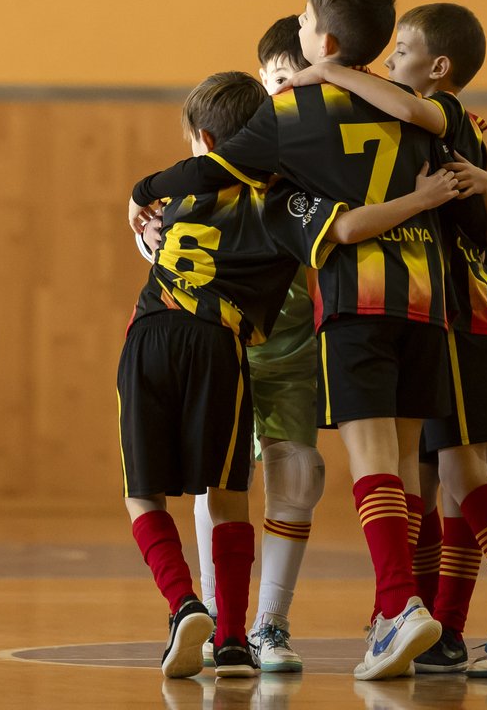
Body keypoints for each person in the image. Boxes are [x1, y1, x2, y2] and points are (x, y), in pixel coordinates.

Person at [129, 0, 476, 681]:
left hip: (351, 303)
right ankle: (400, 616)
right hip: (431, 301)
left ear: (321, 39)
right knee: (410, 470)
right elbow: (482, 212)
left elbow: (212, 173)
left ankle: (384, 610)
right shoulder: (422, 107)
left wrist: (143, 192)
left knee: (361, 463)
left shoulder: (287, 120)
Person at [290, 2, 487, 676]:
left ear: (437, 66)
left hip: (466, 314)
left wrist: (330, 70)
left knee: (463, 471)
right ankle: (433, 622)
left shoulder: (439, 116)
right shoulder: (453, 131)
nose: (388, 63)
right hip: (464, 312)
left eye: (401, 52)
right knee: (441, 474)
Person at [120, 70, 341, 680]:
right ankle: (237, 638)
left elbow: (155, 216)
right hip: (221, 346)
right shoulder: (283, 203)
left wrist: (140, 209)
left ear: (205, 139)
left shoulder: (178, 198)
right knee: (229, 494)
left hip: (152, 335)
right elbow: (338, 231)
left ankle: (184, 603)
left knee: (144, 493)